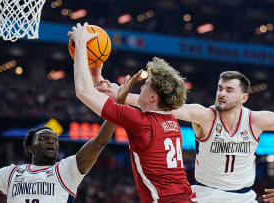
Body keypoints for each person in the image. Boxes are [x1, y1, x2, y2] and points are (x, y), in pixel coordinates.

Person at [98, 70, 274, 202]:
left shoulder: (257, 119)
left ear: (244, 97)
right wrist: (123, 96)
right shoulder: (205, 116)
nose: (222, 93)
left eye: (229, 90)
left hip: (244, 197)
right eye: (219, 88)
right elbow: (163, 105)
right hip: (206, 195)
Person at [69, 22, 196, 203]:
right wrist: (97, 75)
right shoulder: (170, 120)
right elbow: (129, 106)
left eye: (145, 85)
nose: (140, 87)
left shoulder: (141, 122)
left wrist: (81, 45)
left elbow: (83, 92)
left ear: (153, 97)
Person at [0, 83, 132, 202]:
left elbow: (99, 142)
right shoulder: (11, 173)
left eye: (54, 139)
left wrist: (118, 104)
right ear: (31, 148)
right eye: (44, 139)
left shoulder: (67, 169)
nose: (51, 141)